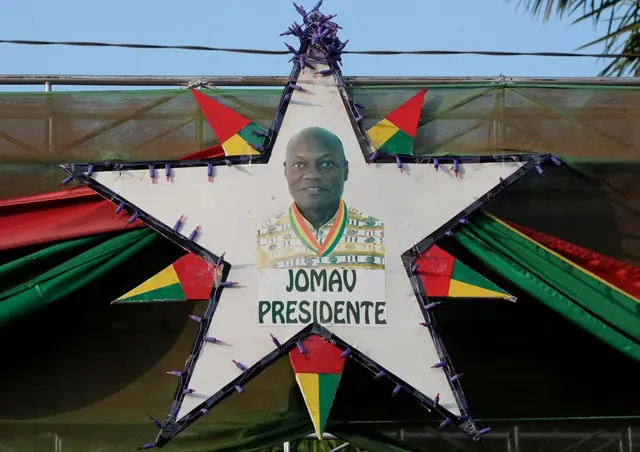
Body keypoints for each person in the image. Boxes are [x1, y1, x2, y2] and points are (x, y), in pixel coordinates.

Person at [257, 127, 384, 270]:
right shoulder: (263, 238)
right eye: (299, 165)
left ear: (345, 170)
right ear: (286, 171)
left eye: (327, 164)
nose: (312, 175)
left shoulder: (378, 235)